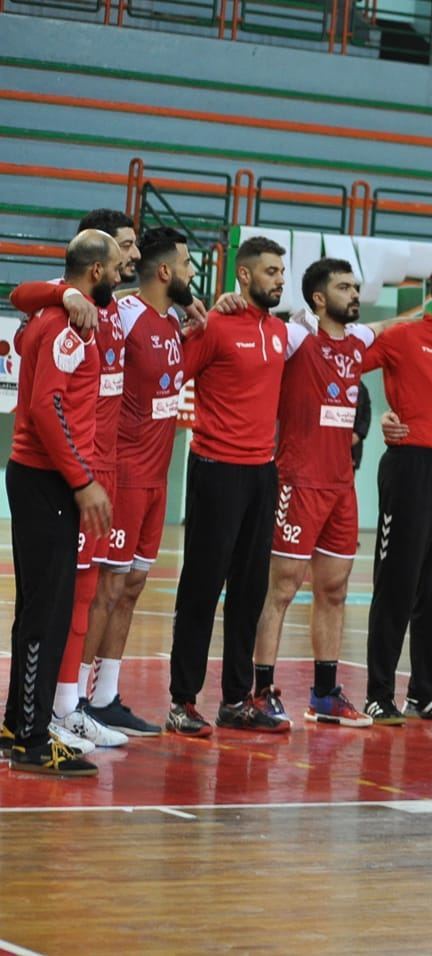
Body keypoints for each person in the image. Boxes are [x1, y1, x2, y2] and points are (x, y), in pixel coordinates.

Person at [7, 209, 141, 748]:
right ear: (95, 271)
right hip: (48, 481)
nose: (125, 269)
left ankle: (20, 721)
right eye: (117, 262)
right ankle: (33, 738)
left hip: (41, 479)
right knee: (47, 612)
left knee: (40, 608)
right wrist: (83, 481)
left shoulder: (64, 311)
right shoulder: (68, 324)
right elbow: (47, 408)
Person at [166, 236, 290, 736]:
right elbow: (170, 373)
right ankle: (182, 701)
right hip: (216, 469)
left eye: (282, 272)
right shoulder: (214, 326)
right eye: (270, 272)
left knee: (250, 592)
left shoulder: (279, 331)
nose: (279, 280)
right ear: (244, 275)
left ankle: (237, 700)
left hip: (263, 473)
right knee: (201, 588)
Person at [250, 259, 375, 729]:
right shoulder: (296, 336)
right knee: (282, 588)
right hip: (298, 480)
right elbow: (258, 329)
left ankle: (324, 694)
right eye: (344, 287)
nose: (354, 293)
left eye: (355, 286)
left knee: (335, 590)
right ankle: (260, 692)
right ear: (319, 298)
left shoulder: (358, 342)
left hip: (342, 484)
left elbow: (390, 330)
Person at [85, 228, 197, 737]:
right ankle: (73, 702)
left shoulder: (173, 321)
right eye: (188, 264)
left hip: (157, 478)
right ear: (166, 271)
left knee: (130, 587)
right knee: (106, 588)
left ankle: (104, 697)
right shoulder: (124, 314)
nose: (193, 273)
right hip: (124, 475)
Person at [360, 264, 432, 725]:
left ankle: (427, 692)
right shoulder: (404, 337)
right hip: (407, 467)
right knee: (397, 583)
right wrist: (375, 417)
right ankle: (378, 693)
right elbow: (345, 363)